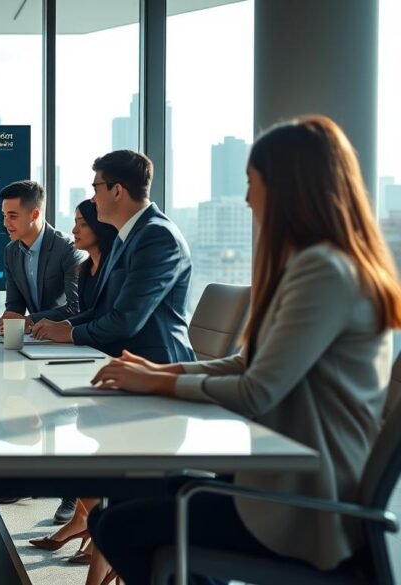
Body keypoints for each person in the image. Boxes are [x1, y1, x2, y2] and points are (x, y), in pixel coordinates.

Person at [87, 116, 401, 584]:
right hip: (288, 482)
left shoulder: (323, 272)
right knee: (127, 505)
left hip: (308, 508)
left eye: (253, 183)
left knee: (118, 524)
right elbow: (249, 362)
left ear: (289, 187)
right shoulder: (318, 264)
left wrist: (159, 382)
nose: (248, 197)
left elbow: (257, 391)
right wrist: (161, 372)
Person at [31, 150, 195, 365]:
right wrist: (65, 326)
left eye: (95, 188)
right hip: (121, 359)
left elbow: (125, 320)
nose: (92, 198)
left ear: (117, 191)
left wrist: (69, 334)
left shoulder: (157, 236)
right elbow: (102, 312)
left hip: (156, 367)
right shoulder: (125, 237)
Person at [28, 199, 120, 559]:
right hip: (94, 356)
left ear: (100, 228)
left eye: (81, 223)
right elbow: (87, 314)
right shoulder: (87, 269)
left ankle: (89, 524)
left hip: (114, 360)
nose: (73, 230)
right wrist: (61, 327)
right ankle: (85, 521)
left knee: (86, 431)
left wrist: (63, 328)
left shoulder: (111, 267)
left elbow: (100, 319)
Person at [0, 180, 86, 331]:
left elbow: (75, 307)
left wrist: (29, 320)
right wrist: (9, 318)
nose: (5, 223)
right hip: (35, 337)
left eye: (12, 216)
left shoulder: (67, 249)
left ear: (34, 214)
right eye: (4, 215)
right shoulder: (11, 251)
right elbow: (15, 304)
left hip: (65, 338)